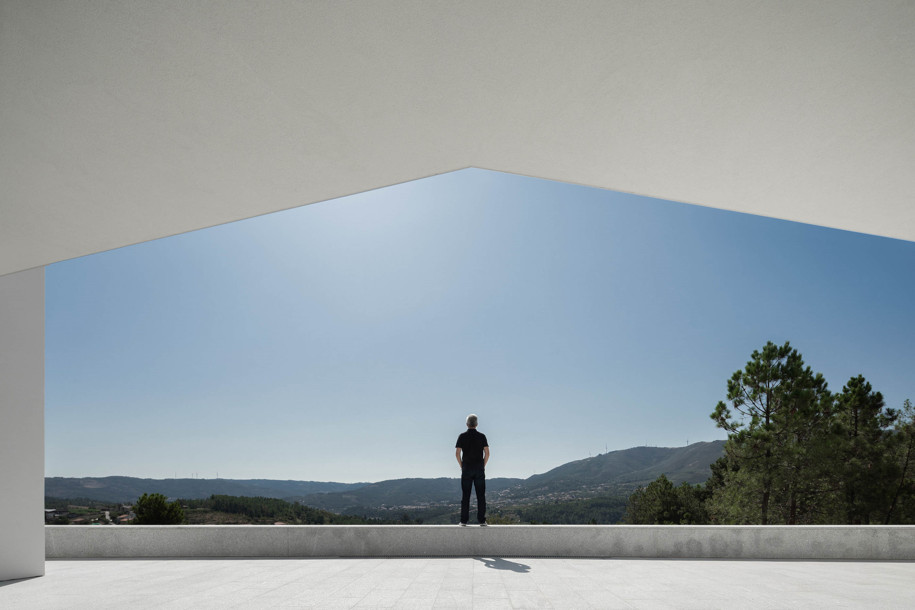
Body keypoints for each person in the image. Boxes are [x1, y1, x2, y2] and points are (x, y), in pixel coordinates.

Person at [455, 413, 489, 526]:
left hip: (467, 469)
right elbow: (487, 453)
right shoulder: (482, 436)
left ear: (467, 424)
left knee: (466, 496)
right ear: (477, 424)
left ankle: (463, 521)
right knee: (480, 496)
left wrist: (462, 465)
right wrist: (483, 465)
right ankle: (482, 520)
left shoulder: (462, 436)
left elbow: (457, 454)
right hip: (479, 469)